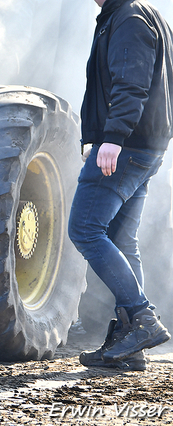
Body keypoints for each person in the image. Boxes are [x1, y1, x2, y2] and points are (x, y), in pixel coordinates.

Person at [69, 0, 173, 370]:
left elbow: (132, 82)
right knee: (122, 238)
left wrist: (112, 137)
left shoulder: (128, 17)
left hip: (126, 147)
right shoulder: (143, 14)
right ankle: (132, 343)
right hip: (145, 148)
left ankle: (143, 318)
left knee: (84, 228)